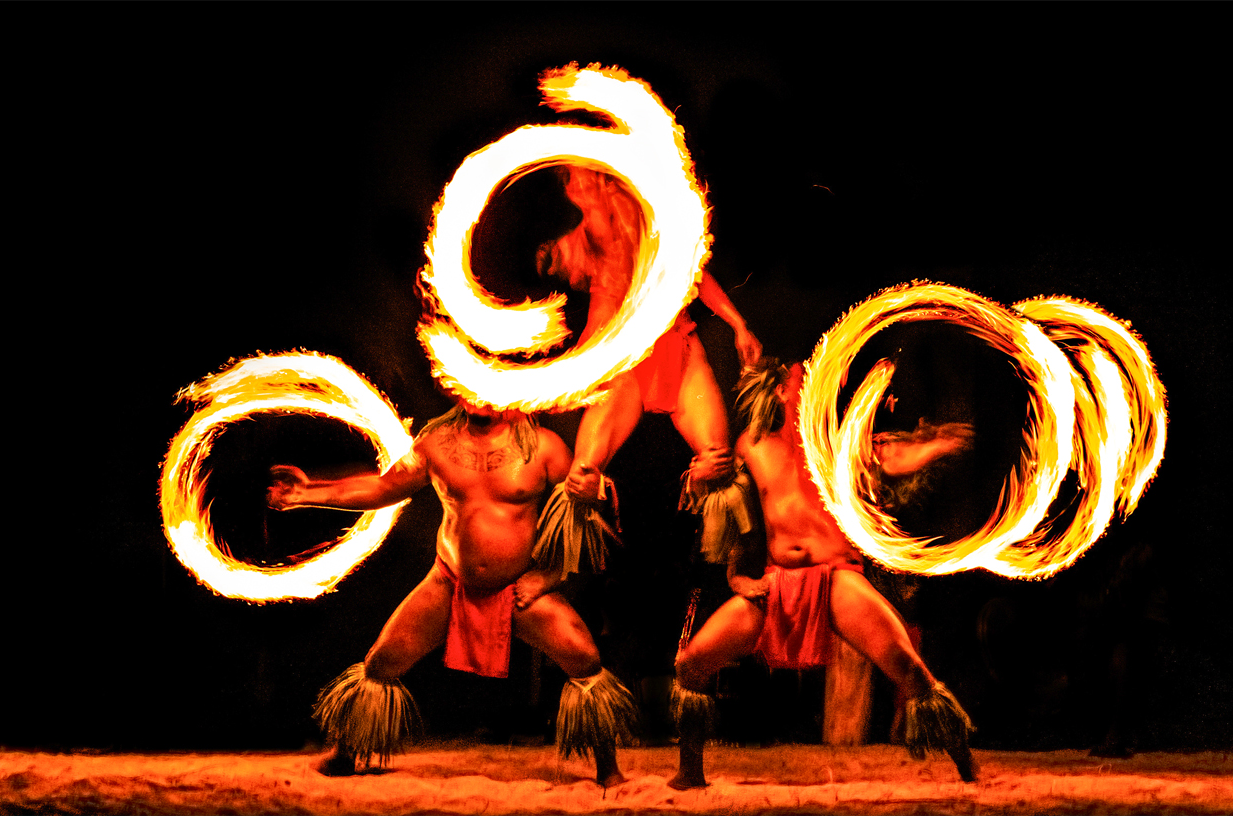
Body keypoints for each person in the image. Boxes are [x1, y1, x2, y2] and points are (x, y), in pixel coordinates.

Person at [267, 402, 635, 785]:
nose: (481, 399)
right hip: (448, 582)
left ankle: (608, 769)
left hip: (521, 588)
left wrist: (550, 575)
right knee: (381, 662)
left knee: (585, 660)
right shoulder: (436, 444)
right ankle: (345, 754)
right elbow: (382, 487)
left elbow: (583, 518)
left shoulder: (545, 448)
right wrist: (308, 492)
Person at [668, 358, 978, 789]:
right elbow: (732, 517)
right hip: (776, 583)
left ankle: (967, 768)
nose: (818, 382)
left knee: (909, 669)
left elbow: (895, 455)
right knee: (692, 664)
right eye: (804, 377)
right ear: (781, 390)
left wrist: (938, 445)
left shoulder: (839, 445)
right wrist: (733, 569)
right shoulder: (750, 447)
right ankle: (689, 773)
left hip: (836, 579)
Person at [540, 166, 762, 506]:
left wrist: (739, 325)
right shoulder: (577, 232)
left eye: (587, 175)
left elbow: (695, 274)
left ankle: (717, 538)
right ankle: (595, 522)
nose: (581, 183)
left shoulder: (651, 213)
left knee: (718, 461)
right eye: (572, 178)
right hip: (619, 361)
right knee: (582, 477)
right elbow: (586, 316)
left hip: (676, 346)